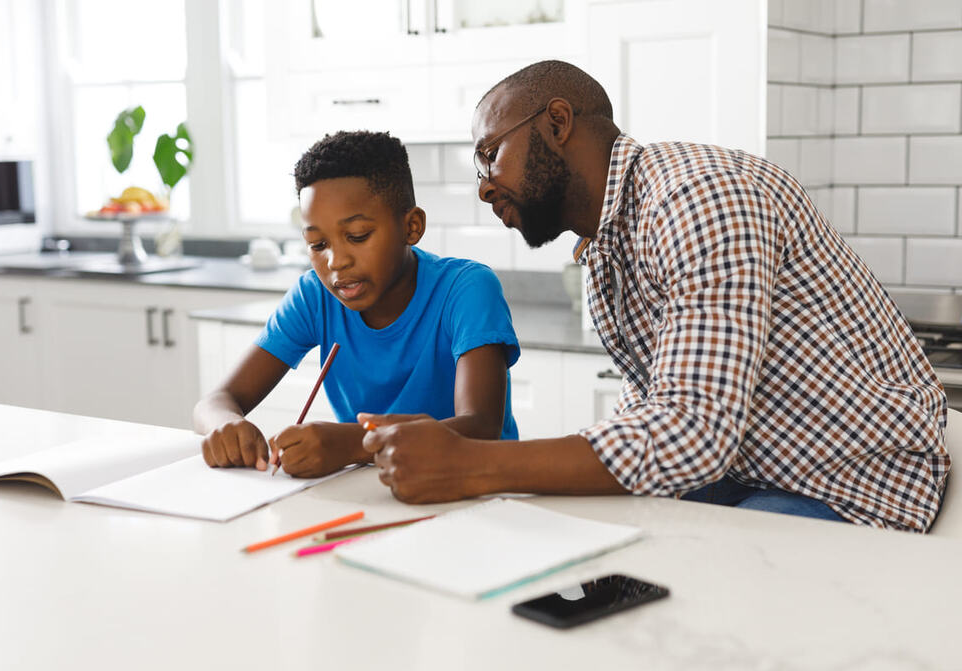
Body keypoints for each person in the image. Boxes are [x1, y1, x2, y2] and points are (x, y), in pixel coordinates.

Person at [358, 60, 950, 532]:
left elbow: (691, 433)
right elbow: (653, 421)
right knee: (592, 562)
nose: (485, 188)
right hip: (747, 473)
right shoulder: (606, 247)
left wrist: (471, 466)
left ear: (556, 123)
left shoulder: (698, 197)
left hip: (851, 486)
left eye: (490, 155)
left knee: (686, 603)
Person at [194, 130, 519, 477]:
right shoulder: (315, 296)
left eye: (358, 236)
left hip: (475, 487)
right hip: (373, 490)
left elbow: (481, 427)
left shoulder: (466, 289)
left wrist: (353, 443)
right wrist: (225, 425)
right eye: (318, 244)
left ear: (411, 227)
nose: (335, 262)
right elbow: (215, 402)